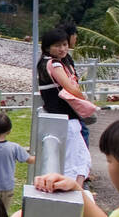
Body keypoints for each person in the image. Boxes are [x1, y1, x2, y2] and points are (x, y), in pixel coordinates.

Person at [36, 27, 92, 189]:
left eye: (65, 45)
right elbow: (69, 87)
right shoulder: (54, 64)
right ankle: (75, 191)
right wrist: (85, 101)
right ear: (47, 47)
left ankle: (79, 190)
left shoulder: (46, 62)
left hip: (63, 117)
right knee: (74, 159)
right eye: (58, 46)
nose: (62, 49)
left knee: (80, 156)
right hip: (65, 118)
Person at [59, 21, 92, 149]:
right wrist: (82, 99)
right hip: (68, 104)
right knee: (82, 133)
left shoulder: (67, 58)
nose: (76, 38)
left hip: (71, 104)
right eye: (75, 35)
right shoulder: (59, 60)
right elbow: (68, 85)